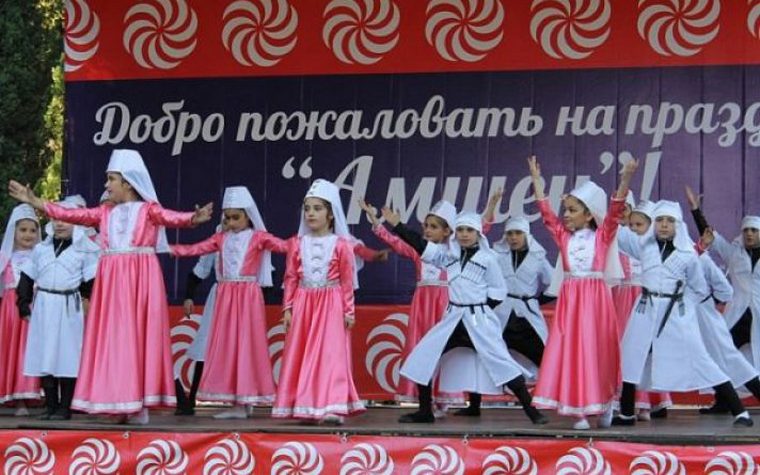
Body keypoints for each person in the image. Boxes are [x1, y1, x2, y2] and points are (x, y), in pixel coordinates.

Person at [7, 149, 213, 424]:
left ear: (128, 183)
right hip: (112, 279)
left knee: (137, 337)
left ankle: (138, 405)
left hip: (140, 278)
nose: (106, 185)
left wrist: (192, 219)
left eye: (111, 179)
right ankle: (121, 402)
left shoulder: (147, 210)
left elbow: (171, 217)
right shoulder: (105, 212)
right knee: (115, 339)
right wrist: (36, 202)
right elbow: (73, 215)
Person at [382, 207, 547, 425]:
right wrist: (398, 226)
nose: (464, 234)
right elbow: (421, 245)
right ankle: (425, 411)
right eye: (460, 230)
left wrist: (480, 308)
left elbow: (498, 292)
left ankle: (531, 410)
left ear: (478, 233)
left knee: (501, 362)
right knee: (423, 356)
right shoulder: (449, 256)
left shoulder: (488, 259)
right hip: (453, 319)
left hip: (479, 321)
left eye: (469, 230)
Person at [613, 200, 752, 427]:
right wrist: (615, 208)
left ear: (678, 225)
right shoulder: (644, 246)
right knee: (632, 356)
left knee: (700, 357)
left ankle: (740, 411)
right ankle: (627, 413)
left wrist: (681, 304)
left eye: (669, 221)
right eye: (659, 220)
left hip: (675, 313)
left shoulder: (688, 254)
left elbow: (699, 288)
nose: (664, 225)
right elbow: (614, 231)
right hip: (645, 309)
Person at [528, 155, 636, 430]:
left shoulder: (602, 236)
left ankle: (605, 402)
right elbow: (547, 215)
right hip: (571, 301)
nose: (566, 214)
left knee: (598, 350)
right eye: (566, 209)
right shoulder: (564, 237)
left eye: (572, 210)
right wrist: (537, 182)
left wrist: (626, 179)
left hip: (596, 301)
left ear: (588, 214)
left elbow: (615, 211)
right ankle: (579, 411)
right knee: (573, 351)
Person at [171, 186, 286, 419]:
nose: (230, 223)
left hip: (246, 298)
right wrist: (174, 251)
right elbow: (199, 260)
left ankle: (244, 399)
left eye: (236, 217)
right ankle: (209, 400)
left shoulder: (257, 238)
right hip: (223, 297)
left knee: (245, 347)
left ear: (248, 216)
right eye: (227, 218)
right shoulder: (219, 238)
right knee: (218, 346)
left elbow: (282, 250)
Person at [273, 179, 365, 425]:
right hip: (304, 302)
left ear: (331, 214)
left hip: (331, 303)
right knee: (302, 352)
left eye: (317, 208)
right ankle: (305, 405)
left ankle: (332, 405)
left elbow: (347, 281)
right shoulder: (296, 243)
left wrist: (348, 311)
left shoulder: (342, 245)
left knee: (331, 354)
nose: (311, 214)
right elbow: (290, 277)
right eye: (307, 209)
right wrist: (288, 308)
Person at [359, 198, 461, 412]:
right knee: (421, 348)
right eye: (426, 226)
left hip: (444, 304)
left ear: (447, 231)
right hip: (422, 306)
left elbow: (480, 231)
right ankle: (425, 401)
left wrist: (490, 209)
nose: (427, 230)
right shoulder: (418, 251)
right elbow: (396, 242)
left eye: (434, 227)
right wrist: (375, 220)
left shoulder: (454, 253)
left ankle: (443, 398)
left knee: (443, 349)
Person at [17, 196, 99, 420]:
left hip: (69, 307)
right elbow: (27, 276)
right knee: (44, 354)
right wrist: (23, 303)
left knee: (68, 355)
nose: (60, 223)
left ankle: (65, 407)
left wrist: (87, 300)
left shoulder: (86, 250)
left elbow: (91, 282)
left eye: (65, 219)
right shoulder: (40, 249)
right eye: (55, 219)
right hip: (44, 306)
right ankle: (51, 405)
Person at [686, 186, 760, 414]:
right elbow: (711, 237)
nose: (749, 234)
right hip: (738, 313)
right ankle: (724, 401)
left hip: (758, 314)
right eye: (746, 230)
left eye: (754, 230)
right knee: (719, 352)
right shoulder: (734, 253)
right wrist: (696, 211)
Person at [613, 199, 672, 419]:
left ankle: (649, 401)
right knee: (626, 350)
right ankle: (626, 403)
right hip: (623, 299)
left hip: (646, 298)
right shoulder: (622, 242)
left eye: (639, 224)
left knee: (648, 350)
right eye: (632, 224)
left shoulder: (655, 247)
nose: (634, 228)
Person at [0, 204, 41, 415]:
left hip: (33, 311)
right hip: (10, 314)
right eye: (23, 230)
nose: (28, 234)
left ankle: (26, 396)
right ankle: (11, 395)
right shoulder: (4, 258)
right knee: (10, 351)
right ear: (13, 231)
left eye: (33, 230)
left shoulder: (41, 257)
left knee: (27, 352)